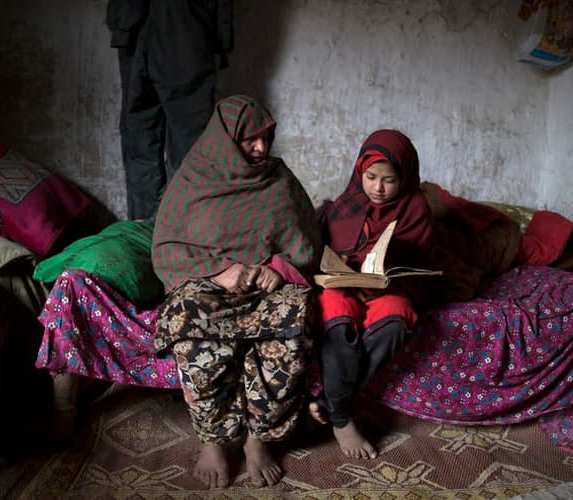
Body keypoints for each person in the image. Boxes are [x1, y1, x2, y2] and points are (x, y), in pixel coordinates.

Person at [151, 94, 322, 488]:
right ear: (225, 140)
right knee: (185, 317)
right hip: (211, 287)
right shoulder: (193, 179)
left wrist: (277, 269)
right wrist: (219, 272)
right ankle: (212, 440)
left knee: (295, 315)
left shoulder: (279, 180)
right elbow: (167, 247)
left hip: (265, 289)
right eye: (250, 139)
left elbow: (306, 244)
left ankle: (258, 440)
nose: (261, 148)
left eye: (266, 137)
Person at [309, 129, 437, 460]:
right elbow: (321, 254)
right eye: (370, 177)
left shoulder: (416, 209)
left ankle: (330, 404)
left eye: (389, 180)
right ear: (358, 172)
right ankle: (342, 420)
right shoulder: (343, 205)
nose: (378, 188)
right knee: (336, 320)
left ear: (405, 176)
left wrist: (384, 282)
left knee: (396, 321)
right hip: (344, 285)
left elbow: (422, 269)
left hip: (388, 289)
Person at [107, 0, 233, 220]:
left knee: (181, 143)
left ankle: (174, 234)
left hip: (169, 24)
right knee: (147, 139)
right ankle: (156, 234)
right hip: (145, 26)